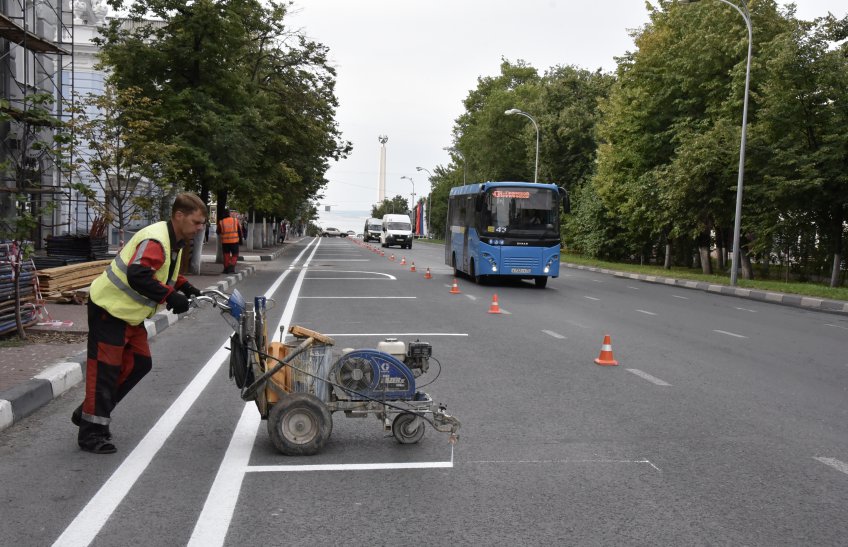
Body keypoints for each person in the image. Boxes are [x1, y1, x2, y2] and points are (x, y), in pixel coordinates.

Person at [72, 192, 208, 454]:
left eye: (202, 224)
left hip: (129, 316)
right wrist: (170, 297)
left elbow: (163, 270)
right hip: (110, 310)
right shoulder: (157, 238)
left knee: (139, 363)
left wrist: (185, 286)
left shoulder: (174, 240)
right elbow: (138, 273)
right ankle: (91, 434)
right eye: (197, 222)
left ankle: (87, 412)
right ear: (179, 216)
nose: (200, 228)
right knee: (106, 371)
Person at [217, 208, 241, 274]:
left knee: (226, 255)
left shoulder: (221, 222)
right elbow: (239, 231)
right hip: (234, 241)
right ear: (229, 213)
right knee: (235, 255)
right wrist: (241, 240)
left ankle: (226, 269)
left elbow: (218, 232)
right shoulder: (235, 220)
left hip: (225, 242)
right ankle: (231, 266)